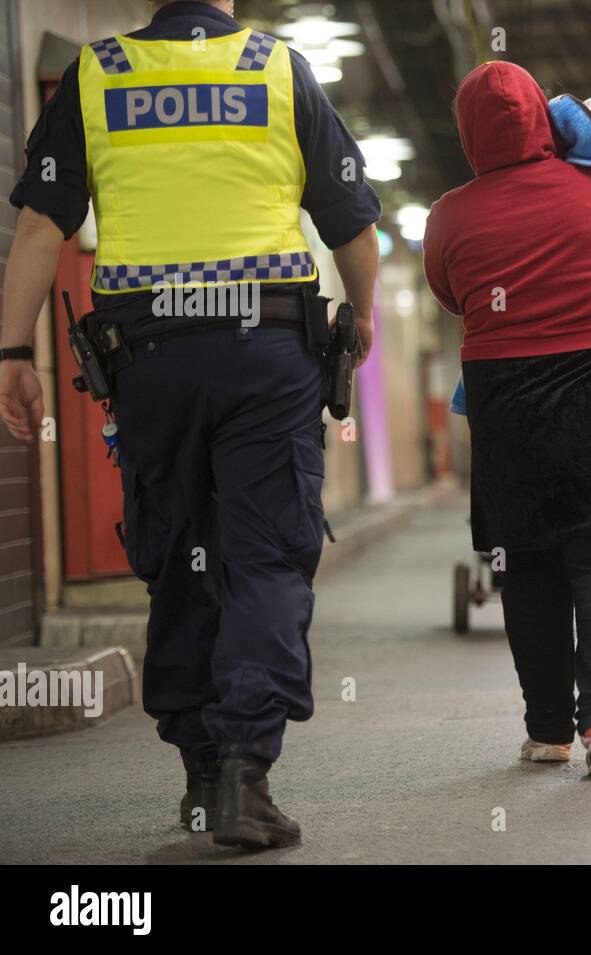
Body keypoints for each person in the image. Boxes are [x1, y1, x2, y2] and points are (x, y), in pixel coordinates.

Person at [0, 0, 380, 849]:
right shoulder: (276, 69)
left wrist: (9, 355)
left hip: (148, 360)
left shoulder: (102, 74)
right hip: (266, 353)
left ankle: (203, 775)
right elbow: (353, 225)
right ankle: (246, 773)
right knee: (267, 553)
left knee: (179, 553)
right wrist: (362, 315)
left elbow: (37, 225)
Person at [424, 61, 591, 776]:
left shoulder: (451, 212)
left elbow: (450, 291)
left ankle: (547, 730)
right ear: (547, 122)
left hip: (507, 392)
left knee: (531, 560)